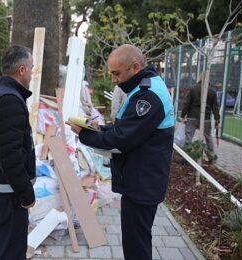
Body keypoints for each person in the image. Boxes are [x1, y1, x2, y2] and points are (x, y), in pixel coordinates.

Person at [67, 44, 174, 260]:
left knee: (136, 247)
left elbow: (121, 140)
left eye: (117, 74)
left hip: (142, 184)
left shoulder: (148, 97)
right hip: (141, 181)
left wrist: (85, 135)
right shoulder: (147, 86)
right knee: (136, 242)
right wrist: (100, 129)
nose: (114, 80)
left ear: (135, 67)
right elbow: (128, 129)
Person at [0, 45, 35, 260]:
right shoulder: (9, 100)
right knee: (12, 249)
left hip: (1, 187)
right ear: (21, 70)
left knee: (4, 244)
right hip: (9, 191)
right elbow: (10, 156)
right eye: (31, 68)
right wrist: (26, 194)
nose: (32, 72)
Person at [180, 72, 220, 162]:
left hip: (192, 117)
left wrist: (183, 115)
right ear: (208, 79)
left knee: (188, 137)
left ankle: (185, 158)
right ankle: (211, 157)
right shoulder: (212, 91)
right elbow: (215, 107)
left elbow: (187, 103)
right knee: (208, 137)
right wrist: (217, 120)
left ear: (200, 78)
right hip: (206, 118)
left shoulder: (193, 88)